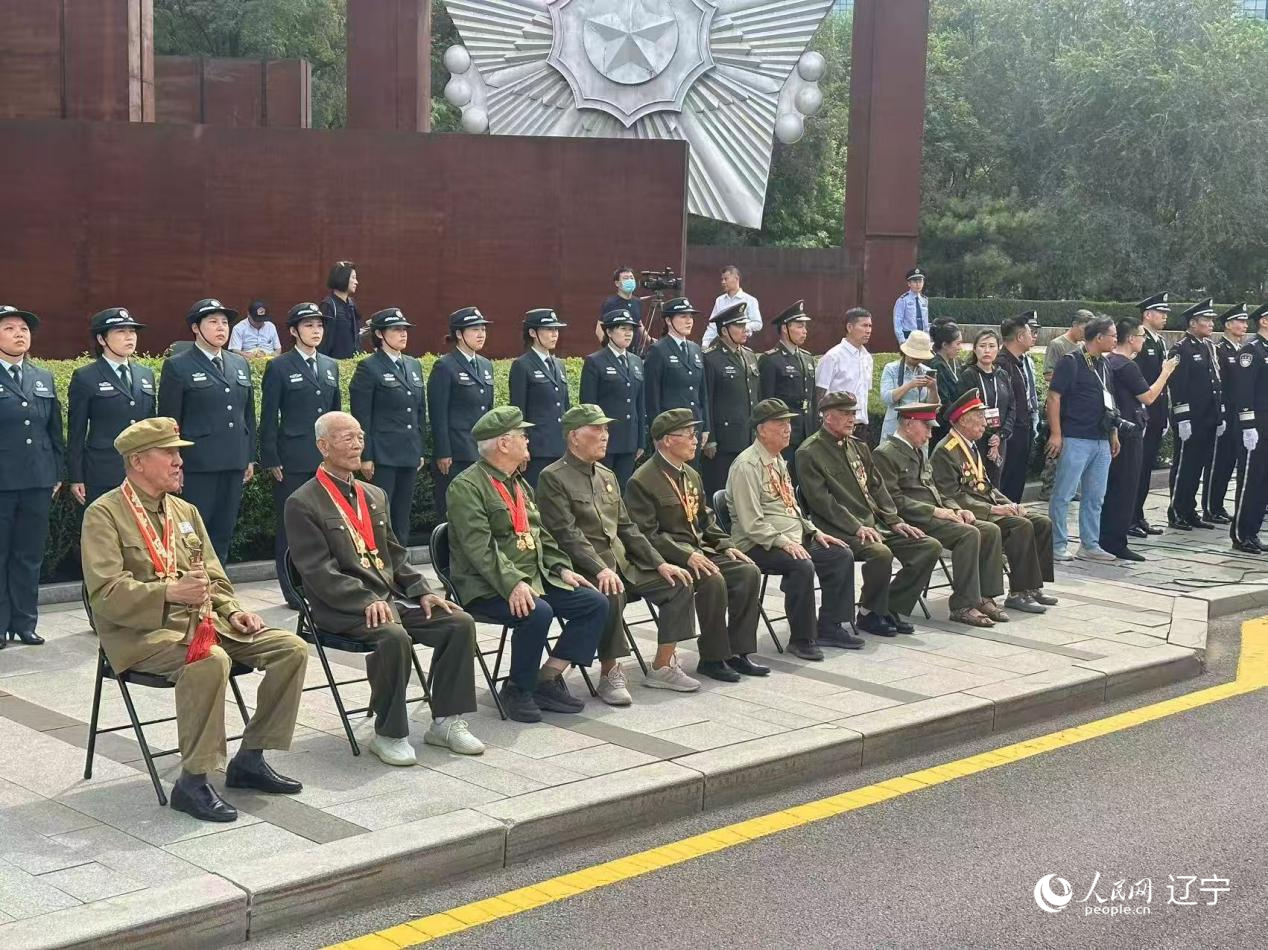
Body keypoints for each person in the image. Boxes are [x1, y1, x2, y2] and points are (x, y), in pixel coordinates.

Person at [81, 418, 307, 822]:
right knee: (210, 662)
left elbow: (213, 577)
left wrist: (233, 611)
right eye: (169, 453)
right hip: (145, 635)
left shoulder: (184, 510)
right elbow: (106, 596)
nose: (178, 461)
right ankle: (194, 780)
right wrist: (168, 592)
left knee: (290, 648)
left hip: (206, 623)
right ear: (137, 461)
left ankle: (250, 758)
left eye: (178, 453)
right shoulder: (105, 515)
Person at [285, 412, 484, 765]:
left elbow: (395, 554)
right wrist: (364, 600)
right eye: (346, 437)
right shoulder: (303, 502)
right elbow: (317, 570)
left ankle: (446, 722)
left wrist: (423, 591)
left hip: (389, 600)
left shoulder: (373, 494)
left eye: (359, 436)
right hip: (341, 607)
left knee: (458, 622)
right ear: (322, 446)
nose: (357, 443)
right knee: (393, 636)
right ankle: (389, 732)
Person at [445, 407, 608, 723]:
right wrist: (513, 582)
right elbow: (480, 549)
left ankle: (545, 678)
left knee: (594, 602)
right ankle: (517, 689)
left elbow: (540, 535)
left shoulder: (517, 483)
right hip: (486, 584)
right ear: (504, 444)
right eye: (522, 435)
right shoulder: (467, 486)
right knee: (538, 611)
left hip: (532, 577)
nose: (527, 440)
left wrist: (561, 568)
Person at [537, 405, 700, 703]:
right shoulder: (553, 477)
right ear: (574, 436)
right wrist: (600, 569)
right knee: (610, 592)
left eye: (606, 429)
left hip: (624, 564)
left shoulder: (607, 475)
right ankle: (610, 673)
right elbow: (567, 534)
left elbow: (628, 528)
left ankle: (662, 666)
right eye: (596, 429)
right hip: (584, 567)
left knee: (679, 582)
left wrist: (660, 562)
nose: (605, 435)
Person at [625, 409, 764, 683]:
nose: (695, 440)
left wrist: (724, 545)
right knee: (712, 580)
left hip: (700, 551)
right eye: (688, 434)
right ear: (666, 441)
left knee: (748, 571)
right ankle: (713, 657)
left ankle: (739, 651)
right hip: (670, 556)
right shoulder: (642, 480)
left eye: (694, 434)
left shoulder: (690, 473)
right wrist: (686, 555)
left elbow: (705, 519)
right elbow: (646, 534)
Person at [798, 391, 942, 637]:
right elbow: (822, 502)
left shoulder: (857, 446)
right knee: (880, 553)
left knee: (927, 546)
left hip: (875, 524)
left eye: (853, 413)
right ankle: (868, 614)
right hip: (838, 528)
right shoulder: (809, 452)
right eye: (844, 413)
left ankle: (889, 608)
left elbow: (877, 487)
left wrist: (894, 520)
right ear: (827, 417)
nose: (851, 419)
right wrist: (856, 527)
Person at [726, 399, 856, 660]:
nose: (788, 429)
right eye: (780, 423)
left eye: (788, 423)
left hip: (792, 536)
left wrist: (813, 531)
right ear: (762, 430)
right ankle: (801, 638)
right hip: (758, 543)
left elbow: (791, 506)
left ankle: (830, 626)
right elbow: (752, 523)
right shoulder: (747, 466)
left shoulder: (777, 460)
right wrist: (783, 542)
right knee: (801, 565)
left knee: (840, 554)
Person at [873, 403, 1008, 628]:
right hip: (912, 519)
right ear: (908, 424)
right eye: (925, 426)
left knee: (990, 530)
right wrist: (936, 511)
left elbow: (934, 489)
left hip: (933, 516)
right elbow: (893, 501)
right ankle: (963, 606)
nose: (930, 433)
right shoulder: (886, 453)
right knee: (969, 534)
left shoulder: (918, 449)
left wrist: (955, 508)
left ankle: (983, 596)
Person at [932, 390, 1057, 614]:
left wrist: (1011, 504)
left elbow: (986, 486)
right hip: (971, 513)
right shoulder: (946, 450)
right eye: (979, 419)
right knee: (1021, 526)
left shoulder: (970, 445)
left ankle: (1033, 585)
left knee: (1041, 522)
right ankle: (1018, 592)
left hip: (988, 506)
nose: (984, 424)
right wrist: (992, 508)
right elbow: (950, 495)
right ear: (962, 420)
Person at [158, 299, 255, 564]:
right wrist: (173, 464)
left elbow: (248, 415)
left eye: (224, 322)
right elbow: (169, 421)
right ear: (195, 328)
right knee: (193, 536)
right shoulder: (178, 366)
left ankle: (218, 593)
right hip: (198, 465)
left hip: (233, 461)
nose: (221, 328)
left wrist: (249, 457)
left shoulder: (239, 364)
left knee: (223, 533)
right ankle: (193, 594)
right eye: (213, 322)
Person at [259, 303, 341, 608]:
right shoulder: (280, 366)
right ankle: (291, 590)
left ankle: (321, 584)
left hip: (325, 459)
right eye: (308, 326)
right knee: (291, 524)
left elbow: (337, 416)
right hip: (292, 458)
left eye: (319, 325)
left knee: (326, 524)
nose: (316, 331)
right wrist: (270, 457)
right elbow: (269, 417)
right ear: (293, 331)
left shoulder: (330, 366)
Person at [0, 305, 63, 650]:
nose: (19, 334)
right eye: (10, 328)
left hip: (38, 480)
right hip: (2, 482)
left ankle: (25, 623)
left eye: (24, 328)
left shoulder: (42, 377)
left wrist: (56, 472)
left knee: (29, 554)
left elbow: (54, 431)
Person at [1099, 317, 1178, 561]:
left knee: (1111, 487)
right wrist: (1166, 372)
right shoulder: (1126, 366)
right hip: (1128, 433)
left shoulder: (1108, 362)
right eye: (1142, 336)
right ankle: (1116, 541)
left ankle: (1106, 538)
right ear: (1131, 339)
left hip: (1115, 429)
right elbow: (1149, 397)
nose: (1144, 341)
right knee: (1125, 487)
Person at [1045, 315, 1120, 562]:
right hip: (1075, 437)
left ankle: (1090, 544)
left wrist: (1113, 433)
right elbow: (1054, 397)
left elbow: (1109, 400)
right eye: (1113, 335)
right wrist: (1057, 433)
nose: (1116, 340)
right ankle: (1057, 544)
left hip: (1100, 439)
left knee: (1095, 496)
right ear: (1098, 337)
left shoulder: (1104, 364)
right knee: (1064, 494)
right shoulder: (1072, 361)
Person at [349, 308, 426, 544]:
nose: (403, 334)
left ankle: (400, 567)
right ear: (380, 334)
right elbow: (362, 417)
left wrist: (420, 448)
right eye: (396, 330)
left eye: (404, 329)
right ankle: (380, 567)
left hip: (408, 452)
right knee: (380, 516)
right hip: (383, 454)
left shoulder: (413, 365)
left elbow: (419, 411)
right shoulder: (369, 367)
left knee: (402, 517)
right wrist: (366, 455)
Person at [68, 308, 157, 508]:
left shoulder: (145, 374)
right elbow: (76, 431)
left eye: (132, 332)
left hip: (141, 471)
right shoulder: (86, 377)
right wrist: (76, 476)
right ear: (101, 339)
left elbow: (152, 426)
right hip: (102, 471)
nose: (129, 337)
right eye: (121, 332)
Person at [427, 307, 495, 518]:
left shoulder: (485, 365)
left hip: (480, 451)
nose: (481, 334)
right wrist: (443, 451)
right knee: (454, 511)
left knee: (479, 511)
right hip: (456, 452)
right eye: (474, 329)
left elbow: (488, 410)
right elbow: (438, 413)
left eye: (483, 329)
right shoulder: (445, 366)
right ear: (458, 333)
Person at [1166, 299, 1222, 531]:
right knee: (1184, 466)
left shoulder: (1207, 346)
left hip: (1207, 417)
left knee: (1198, 465)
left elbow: (1215, 382)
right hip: (1191, 417)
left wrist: (1220, 415)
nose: (1211, 324)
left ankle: (1190, 510)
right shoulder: (1181, 348)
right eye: (1206, 320)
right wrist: (1182, 417)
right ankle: (1177, 511)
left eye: (1211, 320)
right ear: (1192, 323)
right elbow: (1178, 385)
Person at [580, 308, 646, 486]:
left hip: (629, 439)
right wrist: (591, 438)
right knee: (602, 489)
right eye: (622, 328)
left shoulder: (636, 361)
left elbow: (640, 404)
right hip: (604, 440)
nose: (628, 333)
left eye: (631, 329)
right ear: (609, 331)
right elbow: (588, 406)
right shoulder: (595, 361)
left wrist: (641, 440)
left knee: (623, 490)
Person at [702, 301, 760, 497]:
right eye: (740, 326)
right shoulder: (711, 358)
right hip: (724, 439)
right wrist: (710, 439)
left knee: (746, 491)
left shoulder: (749, 355)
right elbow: (707, 399)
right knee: (720, 490)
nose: (746, 330)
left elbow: (755, 396)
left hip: (748, 435)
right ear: (725, 330)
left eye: (746, 325)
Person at [510, 309, 571, 486]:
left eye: (556, 329)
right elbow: (518, 411)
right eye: (549, 329)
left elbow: (564, 407)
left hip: (560, 447)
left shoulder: (558, 364)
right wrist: (522, 447)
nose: (554, 334)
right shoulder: (522, 365)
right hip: (537, 449)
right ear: (532, 332)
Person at [757, 300, 817, 481]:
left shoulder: (806, 358)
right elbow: (766, 400)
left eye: (805, 326)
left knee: (804, 479)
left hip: (806, 429)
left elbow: (812, 397)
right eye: (799, 326)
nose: (804, 331)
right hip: (784, 431)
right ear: (785, 328)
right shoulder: (771, 360)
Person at [1040, 310, 1094, 501]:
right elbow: (1047, 374)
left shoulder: (1083, 347)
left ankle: (1068, 487)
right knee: (1055, 446)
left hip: (1076, 406)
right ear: (1075, 325)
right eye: (1084, 328)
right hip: (1059, 402)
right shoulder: (1058, 344)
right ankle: (1048, 488)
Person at [645, 297, 710, 457]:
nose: (689, 321)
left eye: (690, 317)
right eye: (683, 316)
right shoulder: (658, 350)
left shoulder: (695, 349)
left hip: (694, 426)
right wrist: (657, 432)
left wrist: (706, 426)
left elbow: (702, 392)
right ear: (668, 320)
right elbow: (652, 395)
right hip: (671, 429)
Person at [1131, 294, 1172, 537]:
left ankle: (1138, 515)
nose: (1165, 316)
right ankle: (1130, 517)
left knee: (1145, 469)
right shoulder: (1141, 342)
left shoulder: (1159, 341)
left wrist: (1163, 414)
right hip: (1143, 413)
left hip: (1156, 413)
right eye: (1160, 311)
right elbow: (1139, 381)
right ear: (1147, 314)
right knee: (1137, 468)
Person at [1204, 305, 1249, 524]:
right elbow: (1217, 384)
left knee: (1230, 460)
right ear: (1228, 325)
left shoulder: (1240, 349)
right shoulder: (1219, 349)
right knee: (1218, 462)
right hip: (1224, 413)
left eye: (1245, 321)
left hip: (1237, 414)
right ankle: (1211, 507)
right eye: (1239, 321)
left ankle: (1219, 505)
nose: (1244, 325)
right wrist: (1220, 412)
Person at [1231, 303, 1268, 553]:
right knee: (1250, 480)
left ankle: (1253, 531)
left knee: (1263, 480)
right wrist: (1247, 424)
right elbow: (1243, 390)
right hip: (1256, 424)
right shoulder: (1251, 350)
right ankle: (1241, 533)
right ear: (1263, 321)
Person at [959, 328, 1013, 487]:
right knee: (975, 484)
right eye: (982, 346)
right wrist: (989, 436)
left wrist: (1000, 435)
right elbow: (964, 411)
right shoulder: (969, 375)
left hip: (998, 440)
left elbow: (1011, 407)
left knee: (994, 485)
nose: (987, 350)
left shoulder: (1002, 375)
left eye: (991, 346)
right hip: (976, 439)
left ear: (998, 348)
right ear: (975, 349)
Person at [997, 313, 1042, 503]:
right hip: (1010, 431)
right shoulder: (1001, 364)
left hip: (1023, 427)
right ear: (1019, 337)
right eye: (1029, 333)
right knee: (1007, 480)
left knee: (1018, 479)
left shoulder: (1019, 361)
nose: (1033, 336)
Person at [815, 308, 875, 440]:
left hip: (861, 427)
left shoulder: (867, 358)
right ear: (849, 327)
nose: (868, 330)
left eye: (870, 326)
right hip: (836, 428)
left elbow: (865, 394)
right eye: (864, 325)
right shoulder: (832, 357)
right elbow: (819, 395)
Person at [879, 329, 936, 441]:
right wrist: (910, 385)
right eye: (914, 356)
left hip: (919, 431)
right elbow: (886, 398)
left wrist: (933, 388)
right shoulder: (891, 369)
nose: (917, 359)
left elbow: (933, 407)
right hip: (894, 428)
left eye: (920, 357)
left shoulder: (926, 371)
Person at [702, 265, 762, 349]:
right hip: (724, 344)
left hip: (744, 343)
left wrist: (741, 327)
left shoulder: (749, 300)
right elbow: (713, 325)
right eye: (722, 279)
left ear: (736, 279)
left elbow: (758, 324)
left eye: (726, 279)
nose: (723, 282)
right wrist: (705, 343)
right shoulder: (720, 300)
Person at [928, 319, 964, 440]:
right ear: (944, 344)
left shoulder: (955, 362)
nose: (960, 348)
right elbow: (944, 398)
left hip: (955, 419)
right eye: (957, 344)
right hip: (944, 423)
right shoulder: (936, 365)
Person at [597, 265, 646, 353]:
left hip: (634, 352)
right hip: (616, 350)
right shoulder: (610, 303)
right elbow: (599, 329)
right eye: (626, 278)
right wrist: (608, 349)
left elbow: (639, 324)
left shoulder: (637, 302)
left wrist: (649, 340)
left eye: (631, 278)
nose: (630, 280)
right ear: (617, 283)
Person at [319, 261, 361, 359]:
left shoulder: (351, 304)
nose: (356, 282)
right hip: (334, 363)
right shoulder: (328, 306)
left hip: (352, 363)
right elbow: (324, 342)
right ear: (343, 278)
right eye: (353, 278)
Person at [892, 266, 930, 344]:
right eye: (915, 282)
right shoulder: (903, 300)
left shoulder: (924, 300)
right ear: (909, 283)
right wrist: (901, 340)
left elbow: (925, 321)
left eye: (920, 281)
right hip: (909, 336)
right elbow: (897, 321)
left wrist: (927, 336)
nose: (918, 284)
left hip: (922, 336)